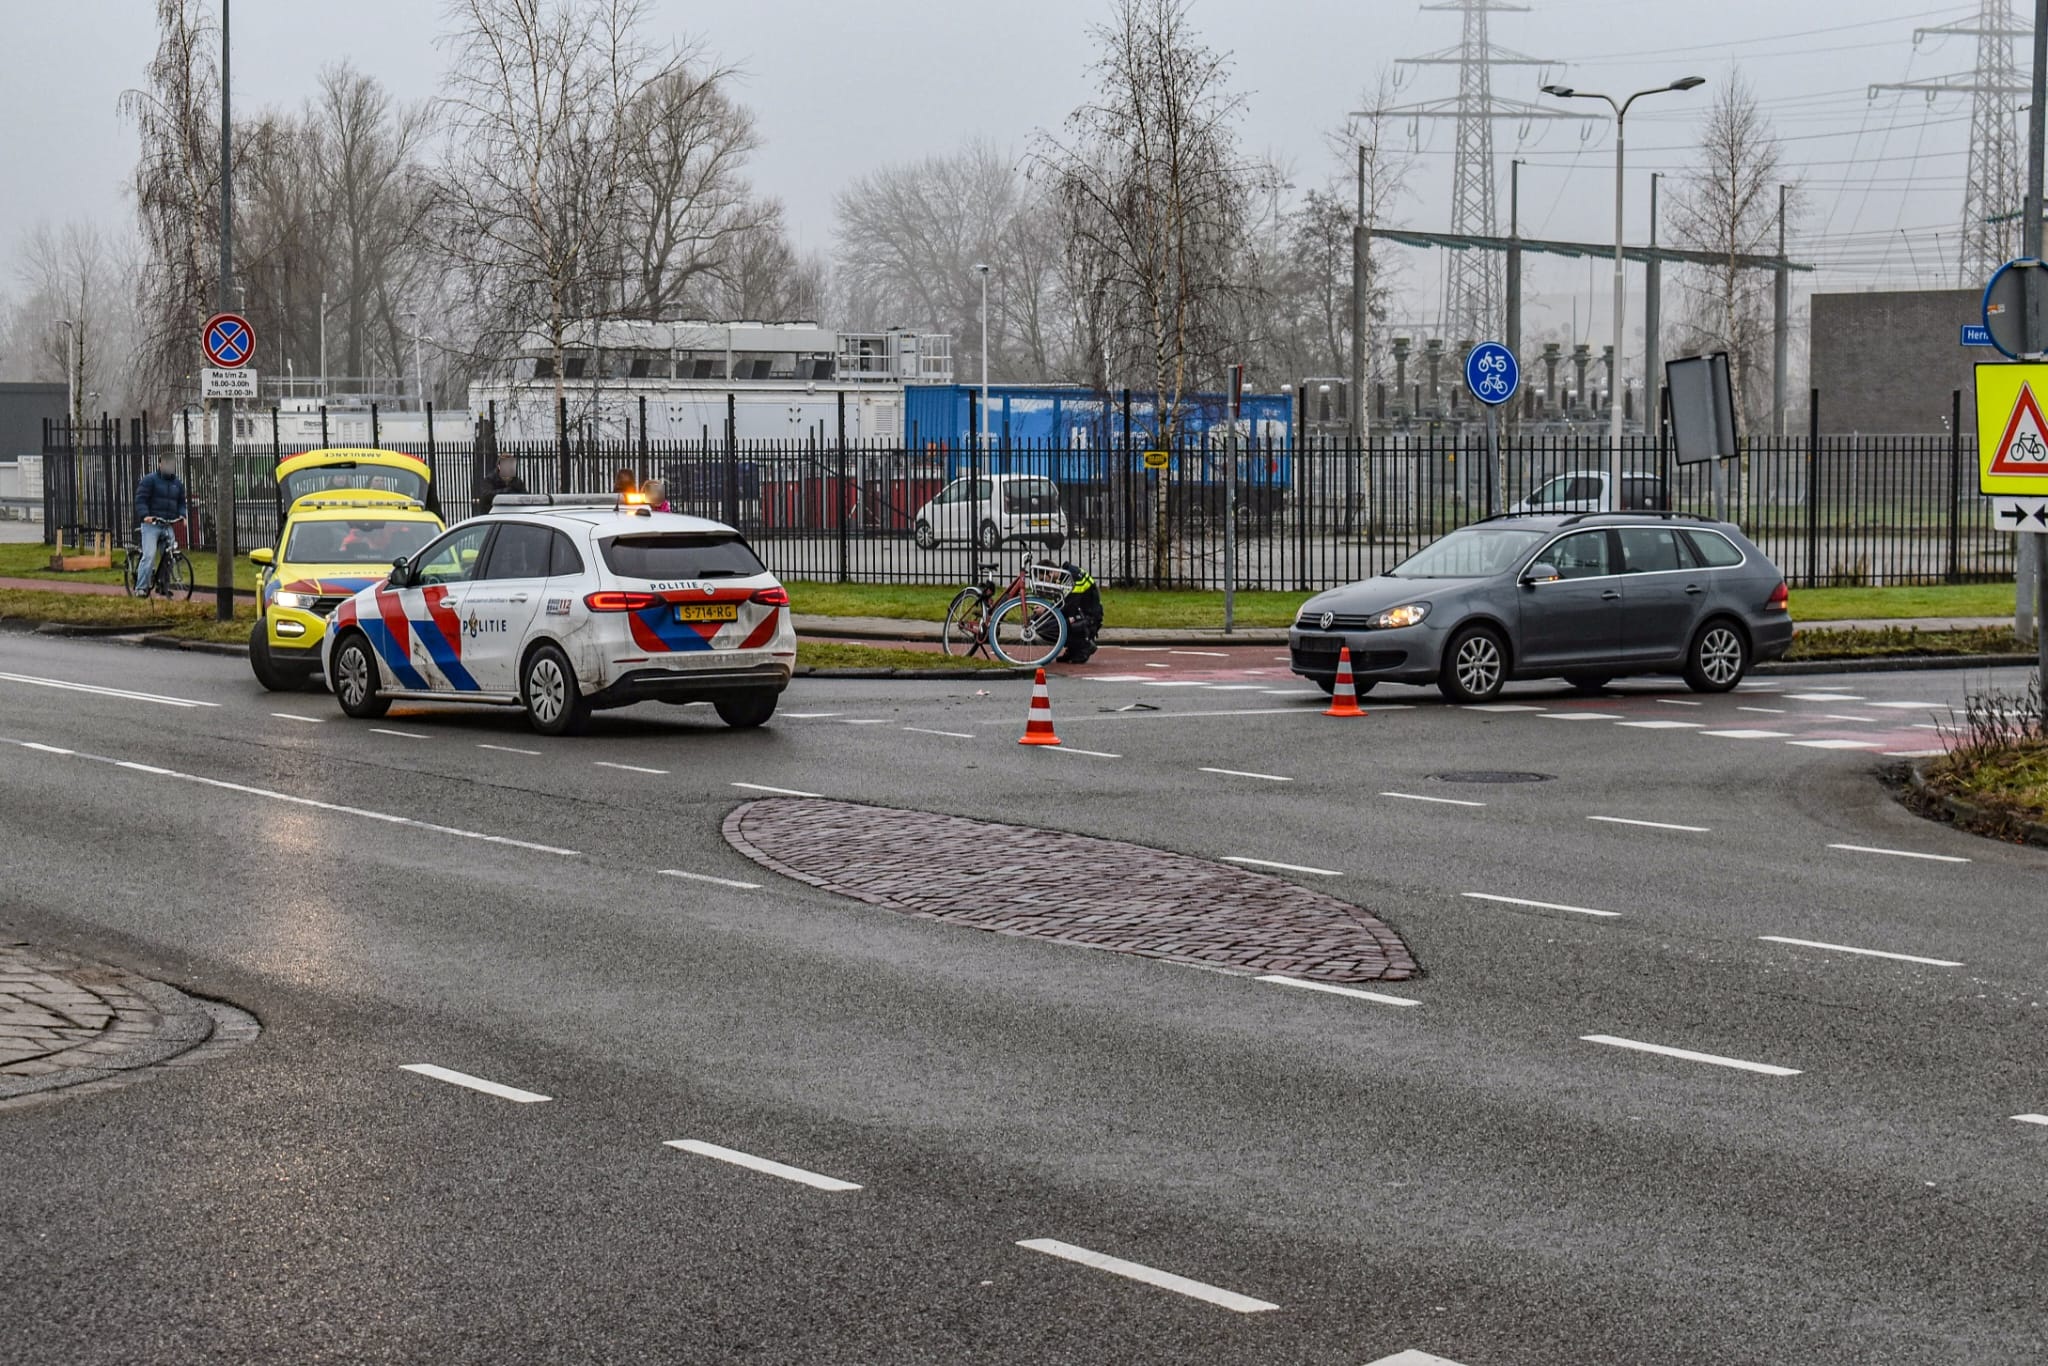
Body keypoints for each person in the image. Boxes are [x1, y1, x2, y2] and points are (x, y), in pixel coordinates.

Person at [132, 453, 187, 597]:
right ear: (160, 464)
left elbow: (181, 502)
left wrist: (182, 515)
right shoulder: (150, 480)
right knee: (149, 555)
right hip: (152, 525)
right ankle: (141, 588)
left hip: (167, 524)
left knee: (169, 557)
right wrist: (145, 516)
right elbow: (141, 499)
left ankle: (163, 585)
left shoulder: (177, 484)